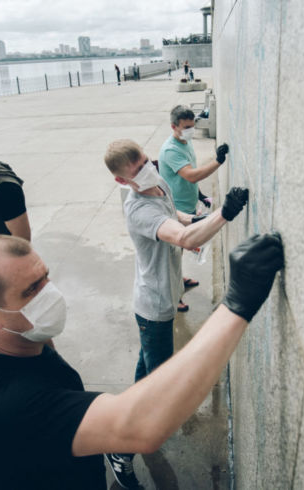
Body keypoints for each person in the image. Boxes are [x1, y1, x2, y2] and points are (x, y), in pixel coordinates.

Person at [0, 231, 283, 489]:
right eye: (32, 290)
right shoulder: (7, 406)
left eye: (46, 277)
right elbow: (142, 426)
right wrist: (237, 304)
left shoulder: (17, 341)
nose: (50, 293)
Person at [103, 139, 249, 486]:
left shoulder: (158, 184)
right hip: (153, 308)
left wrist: (197, 218)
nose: (147, 168)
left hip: (164, 299)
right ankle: (120, 449)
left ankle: (118, 424)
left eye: (144, 159)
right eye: (137, 170)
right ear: (123, 181)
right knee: (159, 387)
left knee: (146, 373)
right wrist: (222, 215)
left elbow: (176, 217)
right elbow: (181, 236)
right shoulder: (138, 209)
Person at [158, 105, 230, 310]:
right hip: (176, 213)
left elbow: (189, 177)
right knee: (171, 257)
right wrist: (218, 161)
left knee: (178, 253)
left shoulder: (185, 142)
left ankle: (179, 281)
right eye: (186, 126)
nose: (191, 129)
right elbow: (191, 175)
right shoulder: (171, 150)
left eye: (193, 125)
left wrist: (201, 196)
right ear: (174, 126)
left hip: (187, 206)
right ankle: (174, 297)